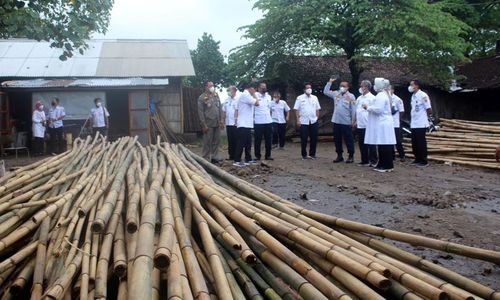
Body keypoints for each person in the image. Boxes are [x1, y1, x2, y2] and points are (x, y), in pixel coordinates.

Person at [362, 78, 396, 172]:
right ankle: (386, 164)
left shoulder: (381, 95)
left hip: (383, 122)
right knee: (384, 144)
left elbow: (378, 109)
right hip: (385, 122)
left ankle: (385, 165)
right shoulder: (385, 94)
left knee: (383, 144)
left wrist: (368, 107)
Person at [323, 78, 356, 163]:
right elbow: (326, 92)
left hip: (346, 121)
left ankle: (351, 155)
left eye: (344, 86)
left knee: (348, 139)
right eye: (341, 86)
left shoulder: (351, 96)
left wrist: (353, 121)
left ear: (348, 87)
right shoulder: (336, 94)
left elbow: (353, 110)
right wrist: (329, 82)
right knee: (337, 139)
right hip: (336, 120)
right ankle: (339, 155)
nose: (342, 87)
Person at [233, 82, 260, 167]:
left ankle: (248, 159)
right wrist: (255, 95)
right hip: (243, 124)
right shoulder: (245, 95)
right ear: (250, 88)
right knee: (241, 143)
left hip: (247, 124)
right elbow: (257, 103)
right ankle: (237, 160)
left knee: (248, 143)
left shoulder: (247, 95)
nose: (255, 91)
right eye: (254, 89)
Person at [197, 81, 223, 163]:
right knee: (207, 142)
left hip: (217, 122)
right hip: (208, 123)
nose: (212, 87)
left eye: (213, 85)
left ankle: (214, 157)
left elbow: (220, 108)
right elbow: (200, 112)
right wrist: (203, 125)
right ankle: (205, 158)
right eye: (210, 86)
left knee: (216, 141)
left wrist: (222, 120)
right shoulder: (201, 98)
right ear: (206, 87)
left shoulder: (216, 95)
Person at [353, 80, 378, 167]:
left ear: (367, 87)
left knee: (371, 143)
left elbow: (374, 110)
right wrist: (355, 121)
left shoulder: (372, 98)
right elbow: (357, 110)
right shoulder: (359, 98)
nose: (361, 88)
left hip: (369, 124)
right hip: (360, 124)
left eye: (362, 86)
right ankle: (364, 160)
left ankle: (373, 160)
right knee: (362, 143)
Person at [294, 83, 321, 160]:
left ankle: (312, 154)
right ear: (304, 89)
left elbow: (317, 109)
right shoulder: (299, 98)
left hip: (313, 121)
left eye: (310, 87)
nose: (309, 89)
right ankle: (304, 155)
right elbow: (297, 109)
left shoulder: (315, 98)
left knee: (314, 138)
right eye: (307, 88)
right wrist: (298, 120)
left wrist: (316, 118)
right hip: (303, 121)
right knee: (304, 138)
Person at [409, 80, 432, 167]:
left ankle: (424, 160)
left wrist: (427, 117)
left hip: (421, 122)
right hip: (414, 123)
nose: (410, 86)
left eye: (412, 85)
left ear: (417, 86)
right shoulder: (413, 96)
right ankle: (417, 158)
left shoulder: (423, 95)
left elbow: (429, 109)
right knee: (414, 142)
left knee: (421, 142)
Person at [254, 81, 274, 160]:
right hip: (258, 121)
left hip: (268, 121)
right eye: (262, 86)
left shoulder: (268, 96)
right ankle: (257, 156)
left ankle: (268, 155)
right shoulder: (255, 95)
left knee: (268, 140)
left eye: (265, 86)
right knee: (257, 140)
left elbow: (270, 108)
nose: (264, 88)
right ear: (259, 88)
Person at [222, 86, 239, 160]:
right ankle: (231, 155)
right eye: (228, 90)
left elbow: (238, 111)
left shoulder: (238, 99)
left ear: (235, 90)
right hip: (228, 123)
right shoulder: (226, 100)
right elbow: (224, 111)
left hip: (235, 123)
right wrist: (222, 120)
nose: (229, 92)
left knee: (236, 140)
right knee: (230, 140)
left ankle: (236, 155)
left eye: (230, 90)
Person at [389, 86, 405, 161]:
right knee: (389, 140)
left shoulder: (398, 99)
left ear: (393, 90)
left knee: (397, 140)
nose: (389, 91)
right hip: (388, 123)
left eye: (390, 89)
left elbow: (401, 111)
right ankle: (392, 156)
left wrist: (398, 119)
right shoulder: (386, 99)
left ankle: (402, 155)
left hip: (395, 123)